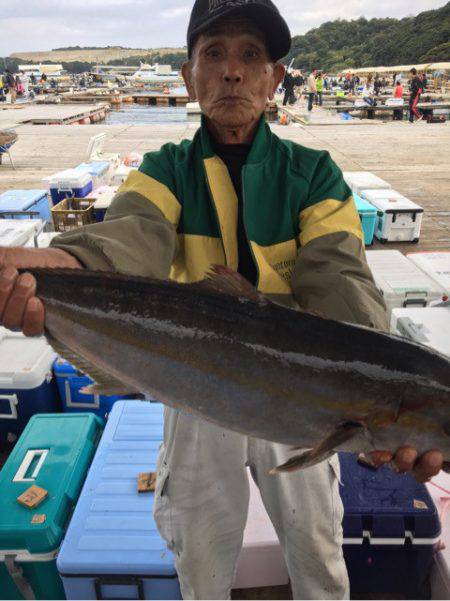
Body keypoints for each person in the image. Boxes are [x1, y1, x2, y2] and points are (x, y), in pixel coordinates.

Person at [0, 1, 444, 599]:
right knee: (198, 540)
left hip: (307, 402)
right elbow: (130, 236)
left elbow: (342, 282)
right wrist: (62, 265)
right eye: (214, 54)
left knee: (315, 543)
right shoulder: (165, 170)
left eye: (251, 55)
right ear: (189, 76)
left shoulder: (314, 175)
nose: (232, 72)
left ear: (274, 78)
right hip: (196, 381)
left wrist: (367, 395)